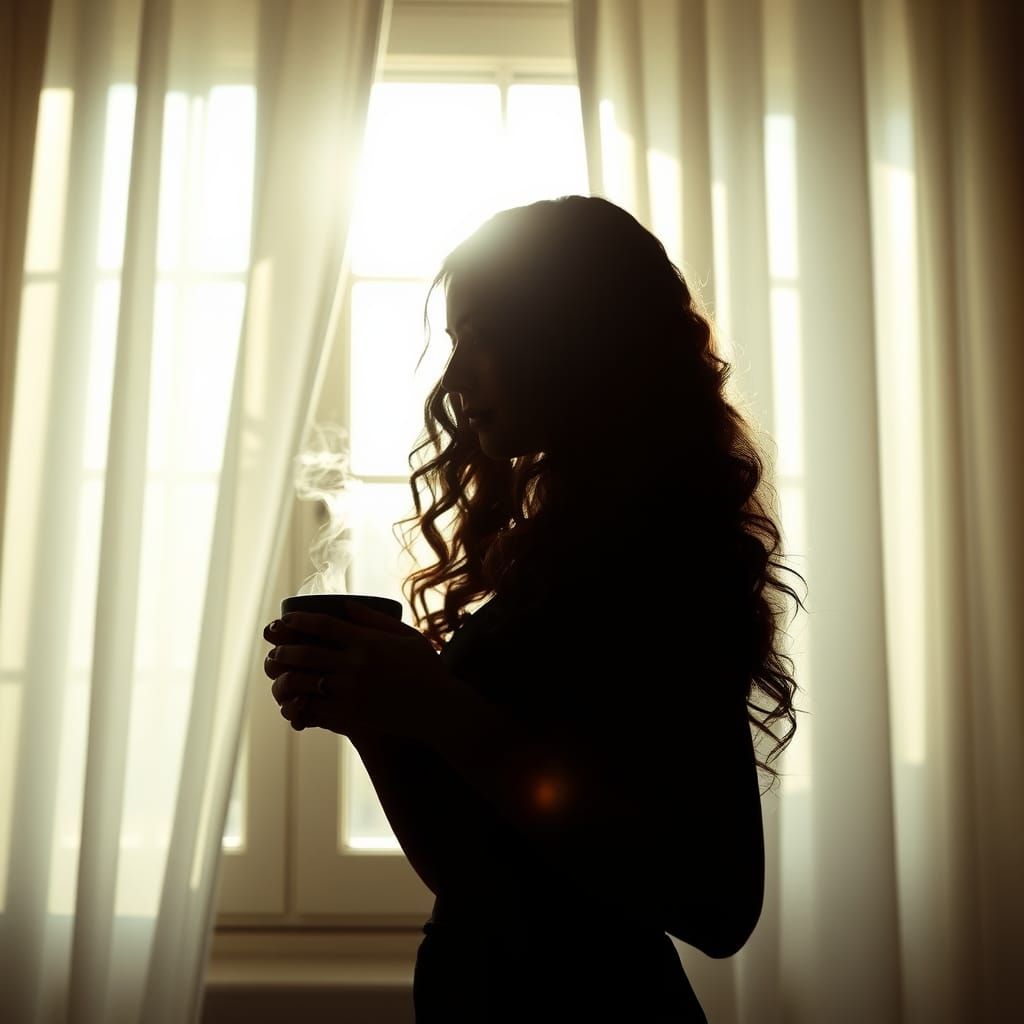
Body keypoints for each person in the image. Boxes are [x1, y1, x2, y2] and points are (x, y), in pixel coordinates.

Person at [262, 195, 806, 1022]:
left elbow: (718, 903)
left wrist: (435, 705)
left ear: (582, 337)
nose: (457, 377)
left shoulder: (656, 555)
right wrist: (374, 716)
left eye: (486, 336)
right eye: (454, 343)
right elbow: (483, 875)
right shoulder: (558, 549)